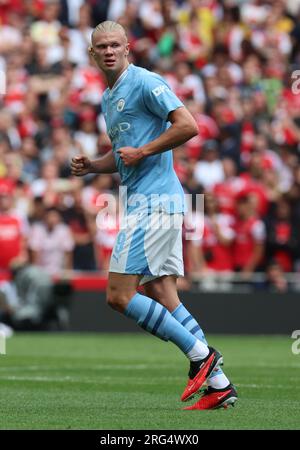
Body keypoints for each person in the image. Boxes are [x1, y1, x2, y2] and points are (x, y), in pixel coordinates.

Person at [71, 21, 237, 410]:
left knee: (118, 295)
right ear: (93, 55)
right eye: (102, 47)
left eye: (115, 44)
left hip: (156, 203)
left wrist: (144, 152)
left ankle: (202, 355)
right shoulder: (108, 97)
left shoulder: (146, 81)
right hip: (146, 202)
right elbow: (123, 154)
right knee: (162, 292)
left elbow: (188, 125)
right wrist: (94, 166)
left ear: (127, 48)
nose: (109, 51)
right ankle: (219, 385)